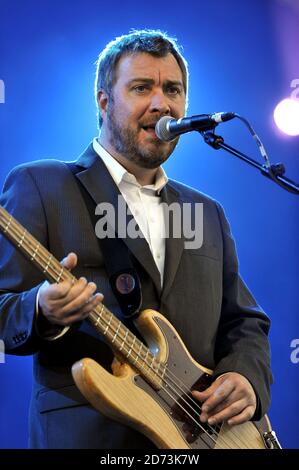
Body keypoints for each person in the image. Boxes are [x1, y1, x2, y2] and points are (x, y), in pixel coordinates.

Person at [0, 29, 272, 449]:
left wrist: (245, 377)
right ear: (104, 101)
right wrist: (40, 308)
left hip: (201, 438)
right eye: (142, 87)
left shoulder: (207, 212)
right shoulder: (40, 185)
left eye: (173, 90)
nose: (161, 103)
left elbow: (244, 320)